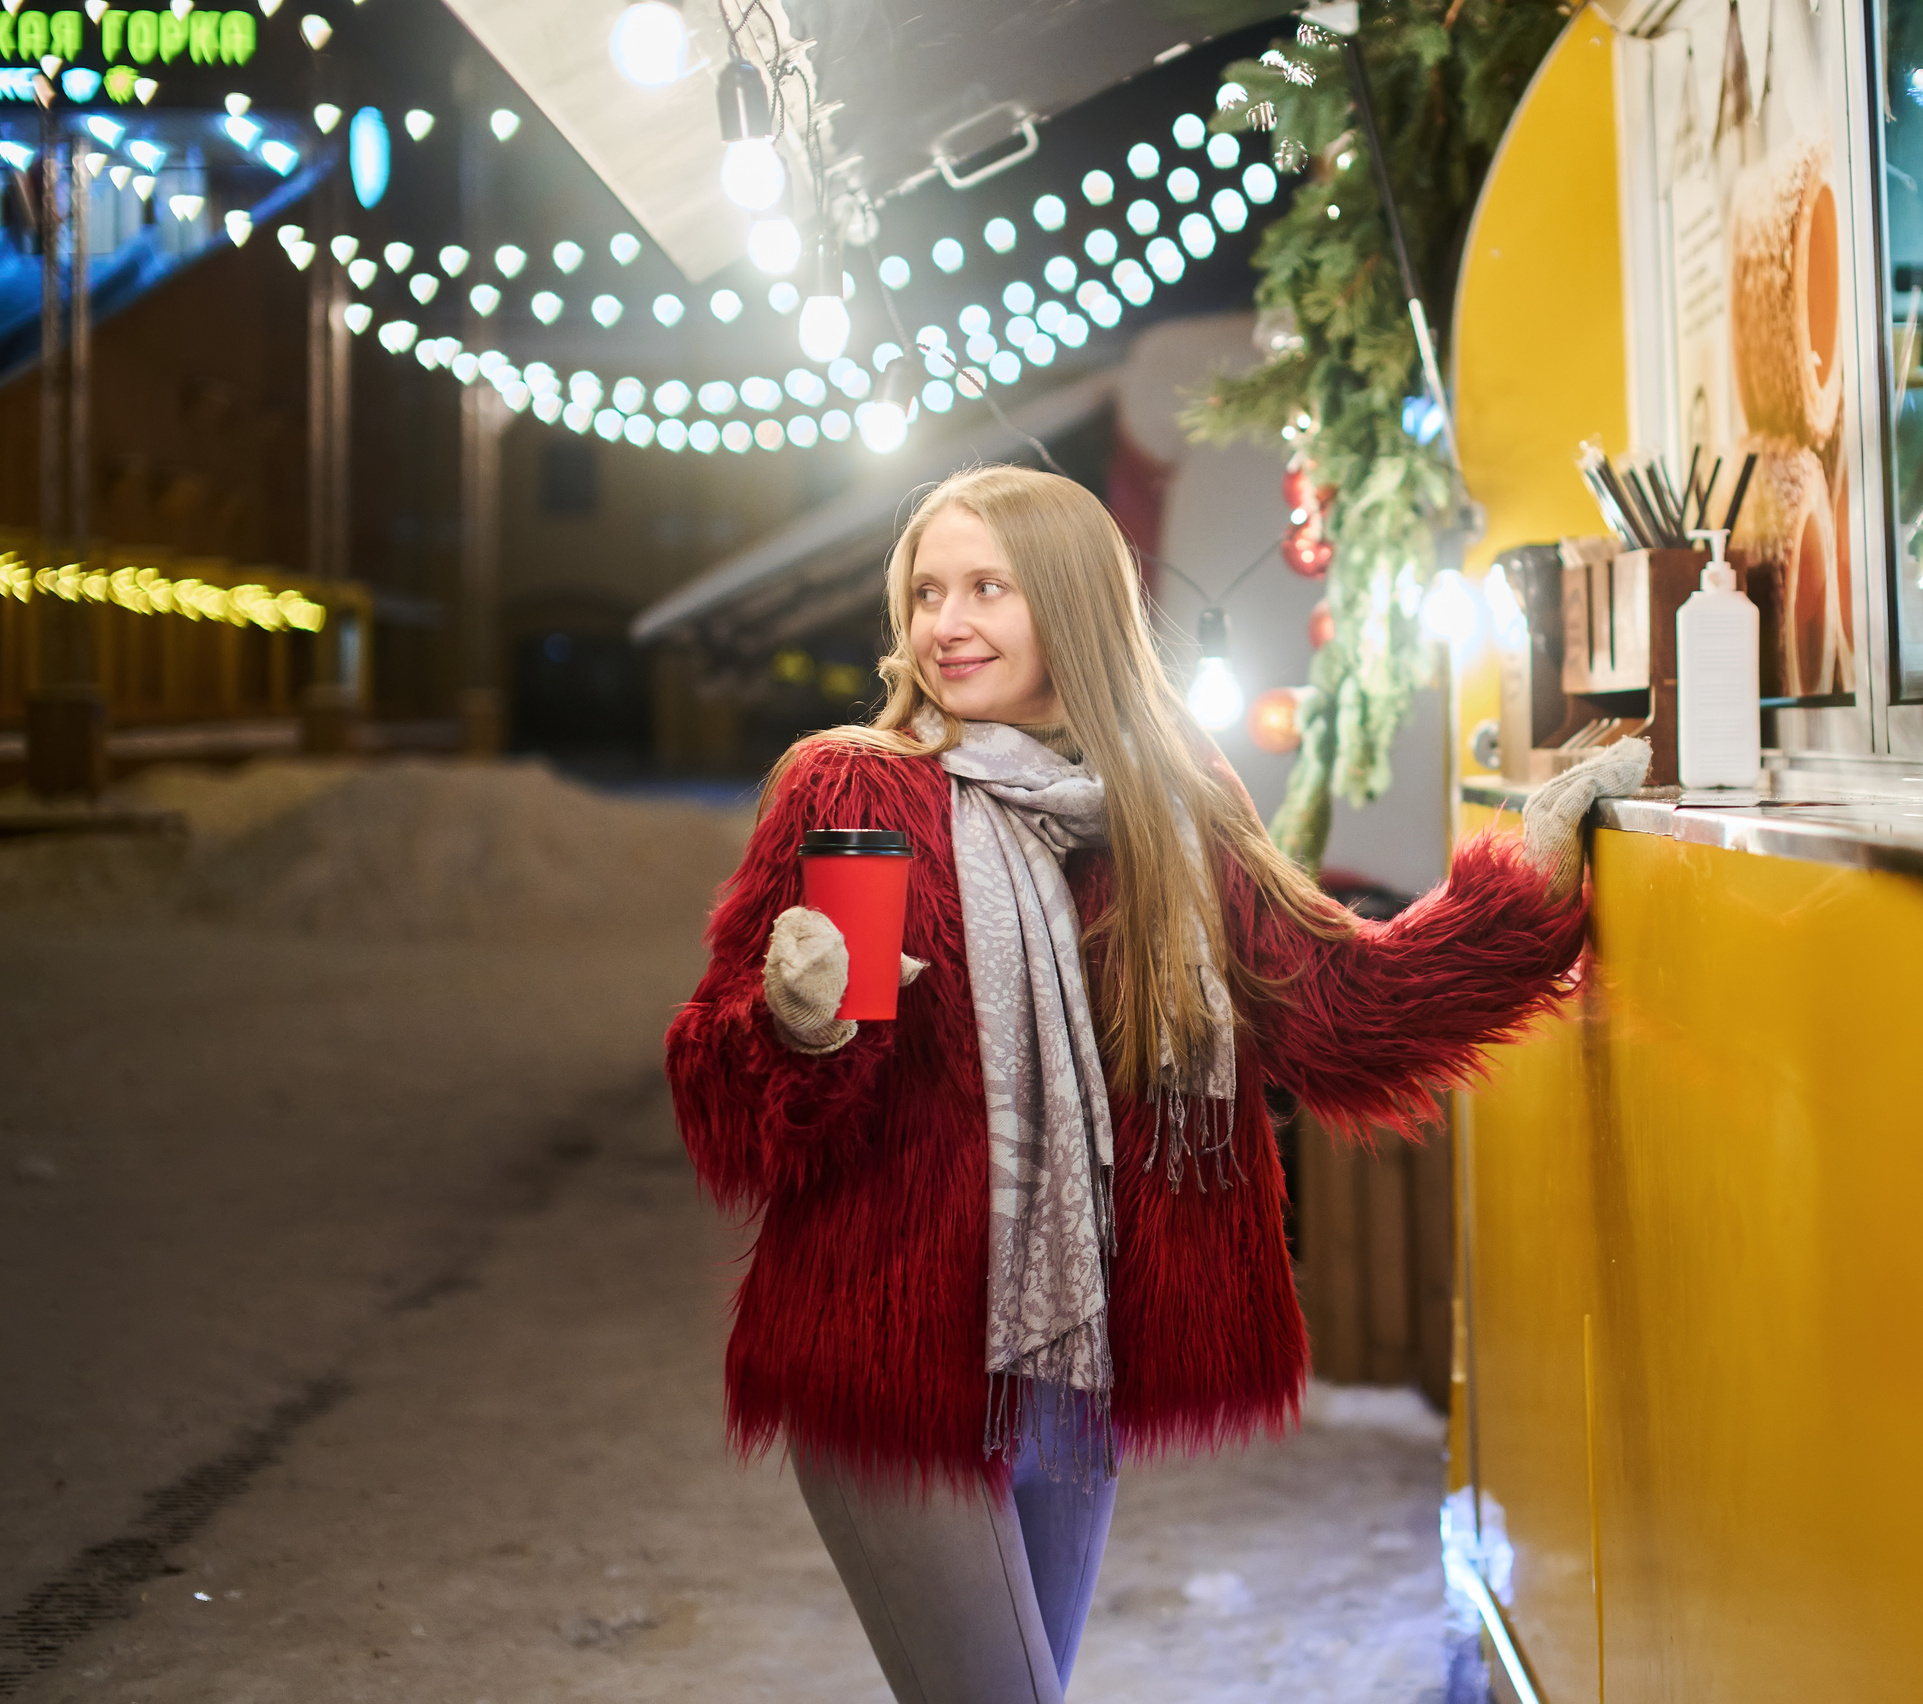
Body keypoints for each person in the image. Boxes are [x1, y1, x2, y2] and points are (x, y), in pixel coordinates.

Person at [665, 465, 1646, 1703]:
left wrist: (1527, 885)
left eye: (986, 588)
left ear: (1071, 604)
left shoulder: (1166, 806)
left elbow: (1338, 1012)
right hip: (889, 1358)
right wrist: (795, 1027)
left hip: (1070, 1381)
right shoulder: (851, 791)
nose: (945, 624)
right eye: (924, 592)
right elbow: (717, 1086)